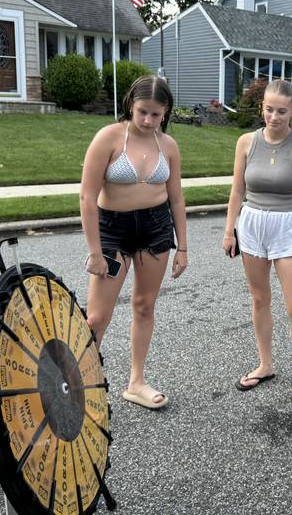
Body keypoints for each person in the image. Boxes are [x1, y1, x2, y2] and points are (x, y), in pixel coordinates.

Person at [80, 75, 188, 410]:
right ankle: (77, 383)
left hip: (155, 229)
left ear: (165, 113)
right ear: (131, 105)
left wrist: (182, 247)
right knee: (97, 316)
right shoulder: (109, 138)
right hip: (113, 230)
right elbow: (86, 196)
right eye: (142, 112)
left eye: (156, 114)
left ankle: (136, 381)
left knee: (144, 305)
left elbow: (177, 200)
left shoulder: (167, 145)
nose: (147, 120)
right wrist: (95, 251)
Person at [223, 80, 292, 404]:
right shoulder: (246, 142)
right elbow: (237, 190)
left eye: (281, 111)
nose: (274, 117)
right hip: (252, 226)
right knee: (260, 299)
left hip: (289, 227)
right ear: (261, 108)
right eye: (268, 109)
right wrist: (228, 230)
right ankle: (265, 364)